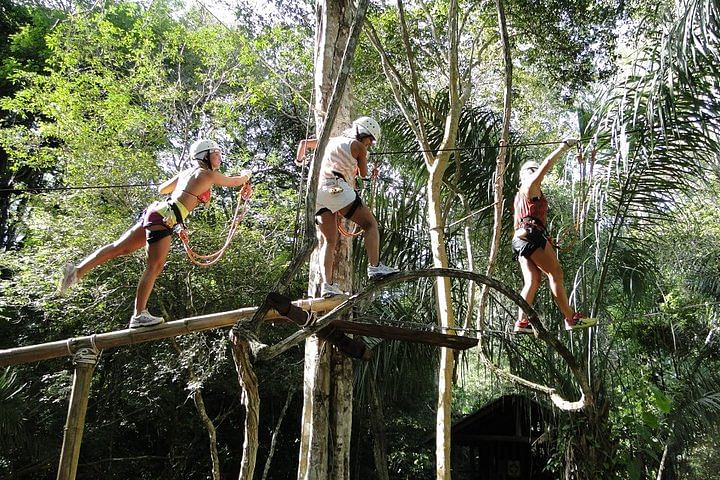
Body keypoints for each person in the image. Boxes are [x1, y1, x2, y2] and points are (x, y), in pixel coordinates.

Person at [58, 139, 251, 328]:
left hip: (157, 212)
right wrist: (246, 174)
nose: (219, 158)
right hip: (165, 217)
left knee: (121, 247)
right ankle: (139, 314)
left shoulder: (188, 172)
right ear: (205, 156)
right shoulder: (207, 174)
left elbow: (162, 189)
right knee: (155, 265)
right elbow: (235, 181)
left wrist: (184, 188)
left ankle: (77, 271)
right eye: (216, 154)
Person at [296, 117, 398, 298]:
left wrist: (299, 160)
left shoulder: (330, 140)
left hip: (317, 193)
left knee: (329, 241)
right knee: (370, 225)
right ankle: (375, 267)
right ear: (363, 133)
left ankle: (327, 285)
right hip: (334, 187)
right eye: (370, 139)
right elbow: (363, 174)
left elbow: (304, 143)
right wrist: (369, 170)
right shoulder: (359, 147)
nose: (370, 144)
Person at [512, 138, 596, 333]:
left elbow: (524, 220)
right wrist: (563, 147)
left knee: (532, 281)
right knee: (556, 274)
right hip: (531, 235)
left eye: (534, 170)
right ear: (523, 175)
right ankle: (570, 318)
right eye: (530, 170)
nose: (534, 172)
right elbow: (546, 165)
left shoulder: (521, 196)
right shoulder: (530, 185)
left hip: (521, 238)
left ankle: (521, 322)